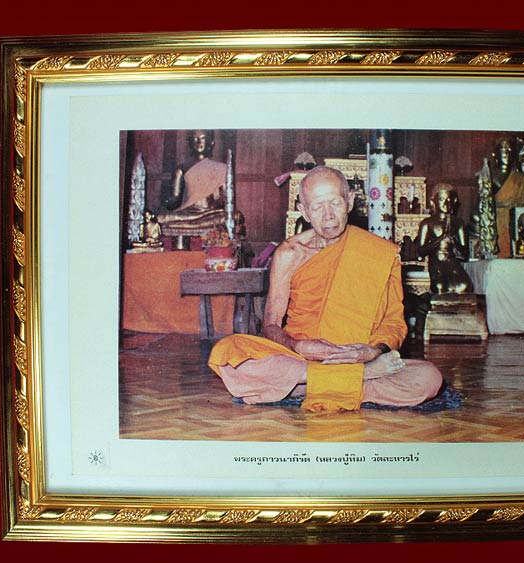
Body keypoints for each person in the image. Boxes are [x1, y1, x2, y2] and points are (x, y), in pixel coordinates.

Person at [208, 166, 443, 412]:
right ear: (304, 211)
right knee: (228, 352)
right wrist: (298, 346)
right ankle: (355, 379)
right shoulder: (289, 254)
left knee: (429, 378)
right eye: (318, 206)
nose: (328, 215)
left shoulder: (380, 252)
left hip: (354, 356)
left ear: (350, 201)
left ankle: (307, 384)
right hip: (300, 356)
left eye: (335, 203)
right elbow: (270, 325)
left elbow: (393, 323)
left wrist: (372, 351)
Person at [157, 130, 227, 229]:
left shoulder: (223, 168)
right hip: (189, 213)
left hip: (211, 213)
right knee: (160, 217)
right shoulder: (181, 168)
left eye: (203, 138)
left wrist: (214, 203)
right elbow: (175, 200)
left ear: (211, 143)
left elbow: (225, 198)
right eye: (195, 138)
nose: (199, 142)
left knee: (231, 217)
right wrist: (166, 203)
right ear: (190, 142)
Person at [416, 186, 473, 294]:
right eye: (442, 199)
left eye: (449, 200)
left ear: (454, 201)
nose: (446, 203)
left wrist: (454, 241)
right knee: (440, 287)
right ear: (433, 202)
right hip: (436, 262)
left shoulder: (458, 223)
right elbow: (421, 251)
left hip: (452, 262)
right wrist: (441, 238)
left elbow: (464, 255)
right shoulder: (427, 223)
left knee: (464, 286)